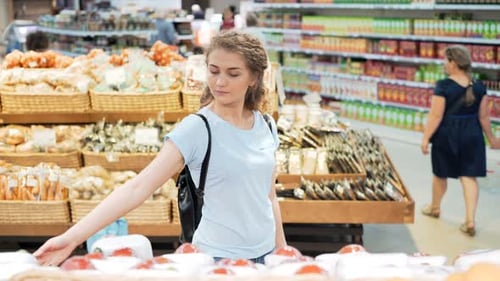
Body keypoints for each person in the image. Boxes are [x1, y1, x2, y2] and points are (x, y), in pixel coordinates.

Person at [34, 30, 287, 265]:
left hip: (266, 257)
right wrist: (72, 238)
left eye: (233, 74)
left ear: (254, 77)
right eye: (214, 71)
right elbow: (138, 187)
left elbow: (268, 196)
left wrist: (282, 252)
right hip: (216, 259)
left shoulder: (265, 125)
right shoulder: (197, 129)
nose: (220, 82)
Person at [420, 44, 500, 237]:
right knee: (469, 176)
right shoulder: (479, 86)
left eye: (445, 60)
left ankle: (435, 207)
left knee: (440, 174)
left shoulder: (444, 86)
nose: (444, 64)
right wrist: (492, 139)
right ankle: (470, 220)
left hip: (447, 133)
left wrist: (425, 138)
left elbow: (436, 116)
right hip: (472, 133)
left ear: (453, 63)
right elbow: (483, 117)